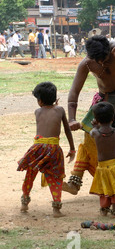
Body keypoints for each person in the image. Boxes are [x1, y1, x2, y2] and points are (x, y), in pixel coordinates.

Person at [62, 35, 115, 195]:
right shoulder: (87, 63)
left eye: (105, 58)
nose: (102, 63)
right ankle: (74, 182)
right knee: (90, 140)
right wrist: (72, 118)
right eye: (98, 61)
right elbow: (74, 92)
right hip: (102, 104)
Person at [17, 82, 76, 217]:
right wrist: (72, 148)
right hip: (54, 149)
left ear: (40, 101)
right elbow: (67, 129)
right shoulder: (60, 110)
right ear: (55, 99)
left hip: (37, 148)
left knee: (30, 176)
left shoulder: (37, 111)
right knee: (55, 177)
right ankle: (56, 209)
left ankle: (24, 203)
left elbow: (47, 111)